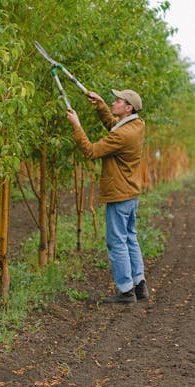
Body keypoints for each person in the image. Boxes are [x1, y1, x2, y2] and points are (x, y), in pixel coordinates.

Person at [66, 88, 148, 304]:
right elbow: (115, 125)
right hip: (131, 192)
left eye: (117, 101)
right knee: (130, 237)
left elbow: (91, 151)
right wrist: (100, 104)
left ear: (128, 108)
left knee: (116, 241)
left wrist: (77, 126)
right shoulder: (136, 125)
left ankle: (126, 290)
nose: (114, 103)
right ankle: (139, 285)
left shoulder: (123, 135)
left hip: (120, 194)